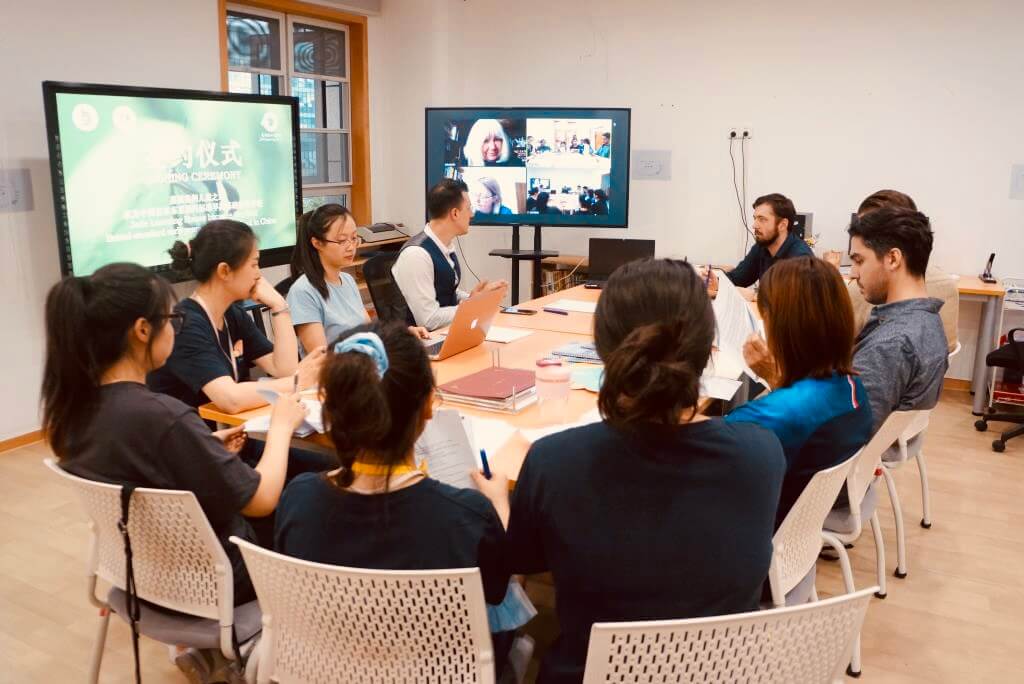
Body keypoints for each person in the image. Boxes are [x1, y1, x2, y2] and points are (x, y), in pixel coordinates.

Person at [475, 258, 786, 684]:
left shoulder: (554, 462)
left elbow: (524, 559)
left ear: (604, 350)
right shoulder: (762, 452)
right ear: (708, 346)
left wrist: (498, 501)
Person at [41, 263, 307, 677]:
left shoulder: (71, 412)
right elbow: (262, 500)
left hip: (140, 575)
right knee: (307, 492)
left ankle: (213, 656)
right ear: (142, 330)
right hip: (218, 582)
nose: (176, 329)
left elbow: (136, 469)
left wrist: (203, 446)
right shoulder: (161, 416)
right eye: (172, 320)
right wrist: (281, 429)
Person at [275, 322, 527, 677]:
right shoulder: (464, 515)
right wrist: (500, 504)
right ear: (427, 407)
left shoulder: (298, 497)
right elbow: (497, 588)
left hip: (337, 667)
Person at [725, 257, 873, 528]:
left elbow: (697, 454)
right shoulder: (852, 387)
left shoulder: (769, 416)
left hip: (751, 534)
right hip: (796, 531)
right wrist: (775, 379)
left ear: (781, 324)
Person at [148, 219, 325, 415]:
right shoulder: (185, 325)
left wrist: (280, 306)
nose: (259, 275)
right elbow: (230, 399)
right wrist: (296, 383)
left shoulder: (233, 314)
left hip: (230, 433)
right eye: (254, 265)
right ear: (224, 271)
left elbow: (283, 369)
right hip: (194, 439)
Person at [848, 207, 949, 433]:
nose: (853, 273)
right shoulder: (927, 321)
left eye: (859, 260)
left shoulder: (891, 344)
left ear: (893, 258)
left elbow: (845, 435)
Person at [287, 204, 429, 354]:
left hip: (364, 366)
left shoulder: (347, 280)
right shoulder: (303, 292)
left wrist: (402, 335)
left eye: (354, 238)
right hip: (337, 374)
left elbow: (370, 333)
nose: (351, 247)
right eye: (342, 241)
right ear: (317, 243)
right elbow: (321, 358)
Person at [845, 190, 959, 351]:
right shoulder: (938, 296)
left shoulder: (864, 290)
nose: (853, 273)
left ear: (892, 257)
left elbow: (840, 348)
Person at [391, 179, 507, 330]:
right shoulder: (416, 255)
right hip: (422, 344)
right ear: (455, 213)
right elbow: (429, 320)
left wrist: (478, 299)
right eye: (469, 208)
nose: (472, 214)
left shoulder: (444, 245)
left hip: (447, 333)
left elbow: (446, 290)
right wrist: (473, 306)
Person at [725, 193, 814, 293]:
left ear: (782, 225)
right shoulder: (762, 246)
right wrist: (716, 281)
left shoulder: (800, 257)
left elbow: (791, 301)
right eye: (755, 218)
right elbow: (737, 279)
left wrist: (754, 296)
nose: (754, 225)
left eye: (762, 219)